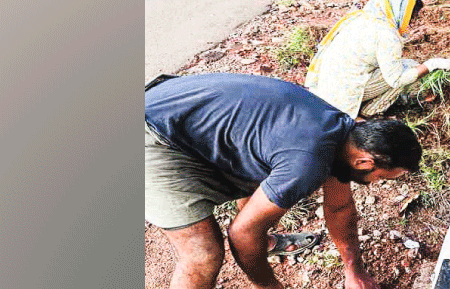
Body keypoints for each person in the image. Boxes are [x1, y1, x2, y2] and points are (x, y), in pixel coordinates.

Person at [145, 73, 422, 289]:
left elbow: (339, 209)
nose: (376, 184)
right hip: (151, 133)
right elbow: (240, 234)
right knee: (202, 253)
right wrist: (267, 284)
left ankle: (262, 244)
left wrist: (355, 271)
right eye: (382, 178)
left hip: (176, 110)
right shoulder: (308, 160)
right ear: (365, 162)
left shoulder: (341, 133)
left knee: (263, 181)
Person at [306, 0, 450, 119]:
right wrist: (432, 64)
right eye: (412, 17)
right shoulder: (387, 35)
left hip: (327, 84)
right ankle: (369, 113)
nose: (412, 23)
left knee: (409, 64)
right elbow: (397, 80)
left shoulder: (364, 17)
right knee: (404, 76)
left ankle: (364, 105)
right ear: (400, 12)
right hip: (343, 92)